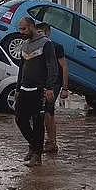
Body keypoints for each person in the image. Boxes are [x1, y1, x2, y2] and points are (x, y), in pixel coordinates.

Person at [14, 17, 58, 167]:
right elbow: (21, 68)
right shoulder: (24, 45)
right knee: (20, 119)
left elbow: (52, 67)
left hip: (39, 90)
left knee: (38, 122)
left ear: (32, 27)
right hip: (24, 88)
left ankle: (37, 156)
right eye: (20, 29)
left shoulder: (46, 44)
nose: (21, 32)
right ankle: (34, 145)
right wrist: (18, 88)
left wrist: (50, 87)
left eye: (24, 29)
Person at [37, 22, 69, 154]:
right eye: (37, 32)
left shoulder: (56, 47)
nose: (39, 35)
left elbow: (64, 67)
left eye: (41, 33)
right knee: (43, 113)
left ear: (48, 33)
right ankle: (47, 142)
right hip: (41, 83)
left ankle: (52, 142)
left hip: (54, 83)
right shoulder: (36, 47)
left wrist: (65, 88)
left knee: (48, 112)